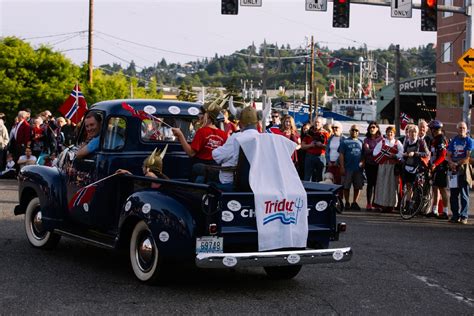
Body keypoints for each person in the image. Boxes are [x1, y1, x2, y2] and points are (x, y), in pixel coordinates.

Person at [172, 97, 227, 180]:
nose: (198, 116)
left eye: (201, 113)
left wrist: (180, 135)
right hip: (215, 174)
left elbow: (191, 153)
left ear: (207, 116)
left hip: (200, 173)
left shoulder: (202, 132)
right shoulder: (224, 135)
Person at [212, 106, 260, 191]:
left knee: (198, 169)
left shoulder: (236, 137)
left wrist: (218, 149)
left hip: (232, 184)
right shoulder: (263, 139)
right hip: (256, 185)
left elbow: (217, 156)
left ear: (240, 123)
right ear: (257, 123)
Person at [446, 121, 472, 224]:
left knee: (464, 194)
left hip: (464, 169)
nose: (462, 130)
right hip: (453, 170)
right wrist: (451, 163)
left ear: (466, 130)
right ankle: (455, 216)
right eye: (460, 128)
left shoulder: (469, 141)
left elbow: (468, 157)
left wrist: (456, 164)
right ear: (457, 129)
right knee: (453, 194)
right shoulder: (454, 140)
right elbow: (448, 154)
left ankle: (464, 216)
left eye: (463, 128)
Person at [373, 126, 404, 212]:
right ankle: (381, 204)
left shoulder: (397, 143)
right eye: (388, 132)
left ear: (394, 134)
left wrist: (395, 156)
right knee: (382, 185)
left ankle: (391, 205)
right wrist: (383, 155)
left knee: (391, 186)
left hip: (392, 167)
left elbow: (401, 153)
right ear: (386, 133)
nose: (390, 134)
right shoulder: (382, 142)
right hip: (383, 166)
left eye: (391, 132)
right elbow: (375, 152)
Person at [401, 124, 430, 209]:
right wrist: (404, 154)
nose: (413, 134)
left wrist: (415, 153)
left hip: (417, 167)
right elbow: (402, 153)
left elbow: (427, 153)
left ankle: (415, 206)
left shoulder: (421, 142)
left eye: (415, 132)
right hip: (407, 166)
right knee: (408, 187)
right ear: (408, 133)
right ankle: (408, 205)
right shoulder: (407, 142)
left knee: (416, 187)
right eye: (411, 132)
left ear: (417, 133)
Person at [427, 120, 449, 218]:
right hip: (434, 167)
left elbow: (443, 155)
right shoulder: (434, 139)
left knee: (442, 189)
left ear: (434, 130)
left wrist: (435, 164)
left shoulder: (441, 139)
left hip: (441, 167)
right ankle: (434, 210)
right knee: (435, 189)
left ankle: (445, 212)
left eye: (430, 129)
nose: (429, 130)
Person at [338, 124, 364, 210]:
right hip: (347, 167)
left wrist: (363, 162)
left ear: (358, 132)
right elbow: (341, 155)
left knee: (358, 186)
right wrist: (342, 166)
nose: (354, 132)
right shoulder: (344, 142)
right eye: (353, 130)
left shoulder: (361, 142)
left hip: (358, 169)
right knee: (346, 186)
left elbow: (363, 155)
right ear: (349, 131)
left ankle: (354, 202)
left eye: (356, 130)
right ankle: (347, 202)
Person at [301, 117, 329, 182]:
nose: (316, 123)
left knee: (320, 177)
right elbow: (302, 146)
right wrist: (310, 145)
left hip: (321, 156)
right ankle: (307, 191)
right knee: (307, 177)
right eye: (315, 122)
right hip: (309, 156)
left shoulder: (325, 134)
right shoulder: (309, 132)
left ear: (322, 124)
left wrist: (321, 145)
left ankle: (318, 191)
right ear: (313, 123)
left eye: (318, 122)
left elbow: (329, 147)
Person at [363, 121, 383, 211]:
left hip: (379, 164)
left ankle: (377, 203)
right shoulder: (366, 140)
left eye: (374, 127)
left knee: (378, 184)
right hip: (369, 164)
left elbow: (381, 151)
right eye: (370, 127)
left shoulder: (381, 139)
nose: (372, 129)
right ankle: (368, 203)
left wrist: (372, 150)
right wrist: (375, 150)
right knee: (370, 184)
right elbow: (366, 151)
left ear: (377, 128)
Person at [325, 121, 345, 193]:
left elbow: (342, 152)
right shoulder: (330, 138)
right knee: (329, 181)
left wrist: (337, 162)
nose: (334, 129)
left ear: (340, 128)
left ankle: (339, 200)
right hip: (330, 163)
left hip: (339, 164)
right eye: (333, 127)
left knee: (339, 182)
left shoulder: (344, 139)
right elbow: (327, 151)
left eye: (336, 127)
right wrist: (328, 161)